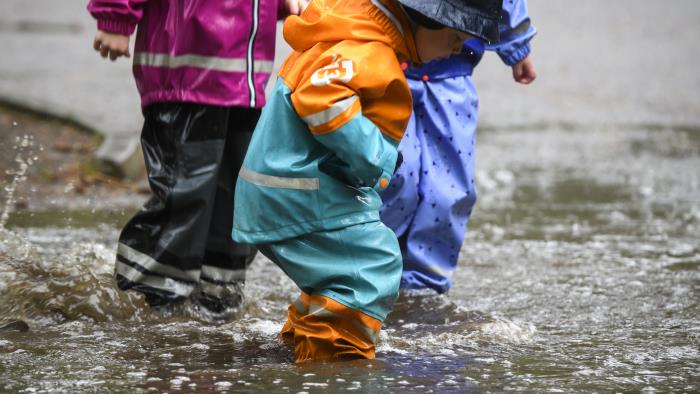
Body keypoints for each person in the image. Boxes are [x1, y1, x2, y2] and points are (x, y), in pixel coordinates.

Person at [232, 0, 503, 362]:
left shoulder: (359, 31)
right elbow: (319, 96)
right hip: (298, 189)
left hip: (295, 185)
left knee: (343, 271)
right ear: (421, 19)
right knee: (373, 263)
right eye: (454, 36)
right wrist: (379, 157)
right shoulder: (368, 47)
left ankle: (309, 337)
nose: (459, 48)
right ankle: (336, 360)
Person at [87, 0, 309, 319]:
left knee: (239, 195)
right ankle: (151, 297)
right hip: (185, 75)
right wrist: (114, 15)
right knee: (186, 192)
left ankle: (217, 295)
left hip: (242, 84)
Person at [380, 0, 537, 294]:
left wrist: (517, 45)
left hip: (452, 79)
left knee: (449, 191)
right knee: (394, 176)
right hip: (387, 71)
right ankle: (374, 267)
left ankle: (424, 287)